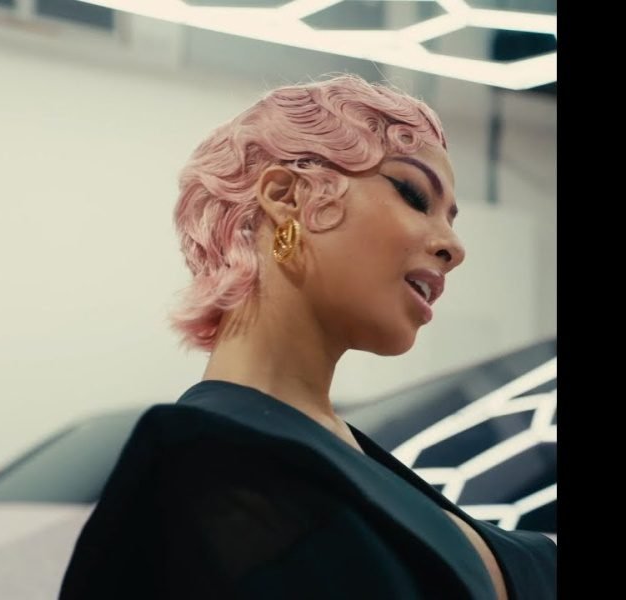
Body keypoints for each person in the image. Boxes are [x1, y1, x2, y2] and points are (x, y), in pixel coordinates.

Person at [58, 74, 556, 599]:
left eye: (450, 217)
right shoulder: (210, 463)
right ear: (287, 196)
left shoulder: (326, 452)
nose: (454, 246)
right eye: (415, 196)